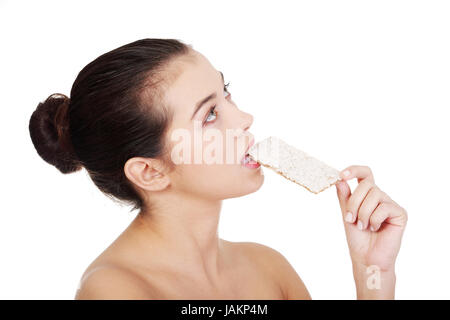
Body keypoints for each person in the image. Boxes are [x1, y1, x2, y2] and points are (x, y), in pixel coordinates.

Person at [28, 38, 408, 299]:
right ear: (150, 172)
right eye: (209, 115)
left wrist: (372, 273)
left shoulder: (269, 269)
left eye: (226, 93)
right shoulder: (114, 291)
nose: (244, 118)